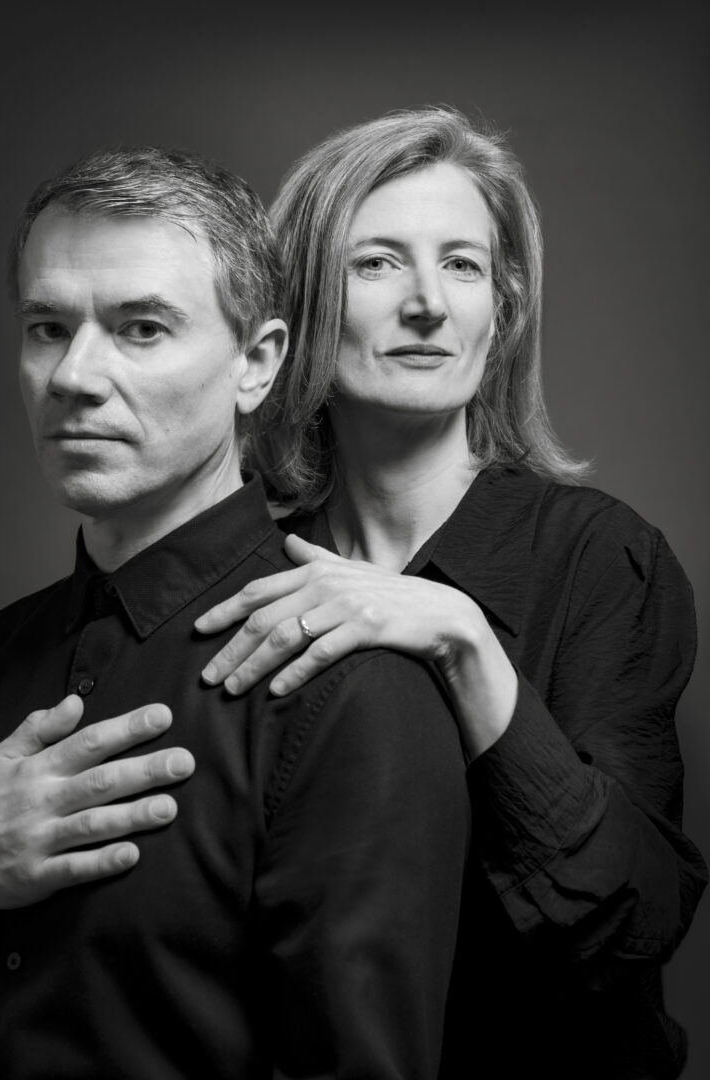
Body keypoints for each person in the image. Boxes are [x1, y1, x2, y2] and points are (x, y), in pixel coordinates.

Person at [0, 146, 470, 1079]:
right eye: (48, 328)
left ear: (256, 364)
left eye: (140, 328)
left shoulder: (352, 687)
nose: (73, 375)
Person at [193, 108, 708, 1080]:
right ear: (300, 306)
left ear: (501, 313)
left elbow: (633, 918)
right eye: (378, 263)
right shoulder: (243, 571)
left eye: (463, 266)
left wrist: (466, 644)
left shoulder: (602, 558)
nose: (428, 303)